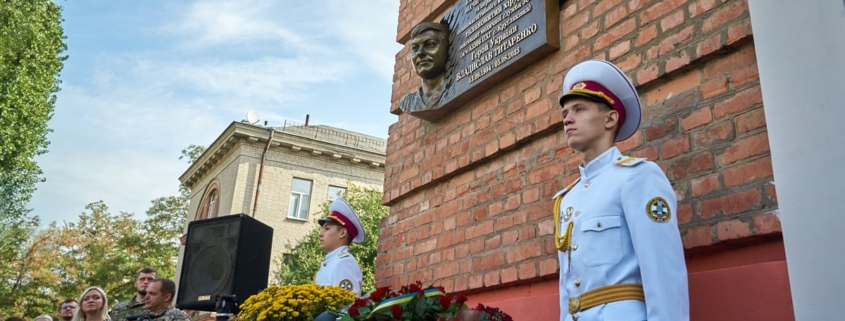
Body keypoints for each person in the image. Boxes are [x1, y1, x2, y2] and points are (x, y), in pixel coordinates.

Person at [553, 59, 689, 321]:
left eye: (579, 109)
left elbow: (664, 273)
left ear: (610, 118)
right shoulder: (568, 198)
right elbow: (567, 290)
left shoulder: (638, 177)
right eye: (565, 113)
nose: (567, 119)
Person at [314, 198, 366, 297]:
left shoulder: (344, 263)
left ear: (342, 233)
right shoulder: (332, 262)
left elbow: (345, 307)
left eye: (327, 229)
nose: (320, 234)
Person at [399, 21, 450, 114]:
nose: (420, 53)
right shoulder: (408, 103)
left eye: (430, 44)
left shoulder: (455, 88)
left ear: (447, 48)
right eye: (415, 48)